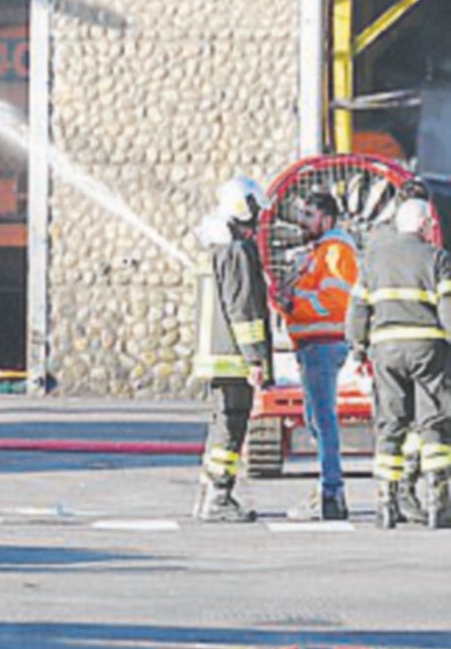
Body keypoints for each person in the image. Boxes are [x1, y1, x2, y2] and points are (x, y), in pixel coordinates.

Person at [346, 198, 451, 528]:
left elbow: (357, 310)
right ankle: (439, 502)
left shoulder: (373, 260)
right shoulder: (437, 259)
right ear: (423, 226)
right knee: (433, 422)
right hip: (427, 350)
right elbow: (447, 308)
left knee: (391, 424)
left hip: (386, 350)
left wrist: (358, 348)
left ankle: (386, 504)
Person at [190, 176, 273, 523]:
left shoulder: (216, 247)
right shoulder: (237, 251)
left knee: (222, 422)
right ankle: (219, 497)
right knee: (232, 425)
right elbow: (244, 308)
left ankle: (208, 493)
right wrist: (255, 358)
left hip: (218, 354)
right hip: (233, 356)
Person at [279, 190, 359, 521]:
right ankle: (327, 488)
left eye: (309, 214)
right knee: (317, 420)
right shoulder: (321, 252)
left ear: (327, 219)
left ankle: (330, 492)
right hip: (312, 344)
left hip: (323, 343)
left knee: (323, 420)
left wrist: (294, 304)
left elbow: (337, 301)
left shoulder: (335, 251)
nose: (303, 221)